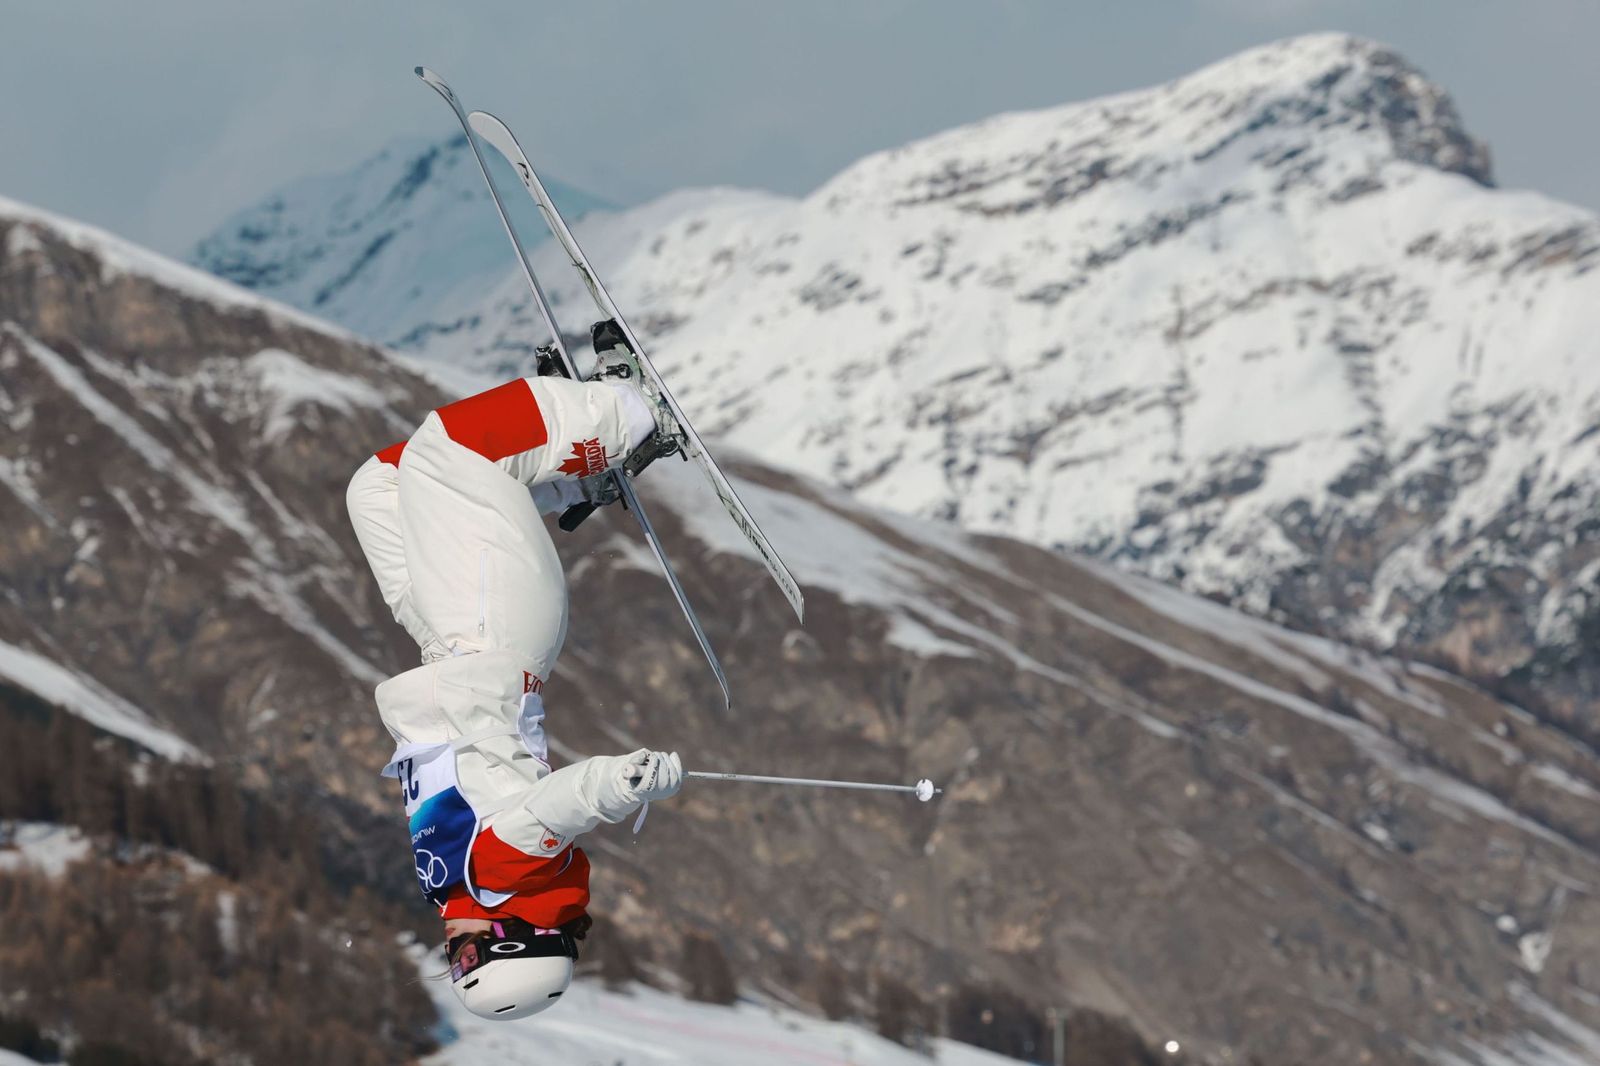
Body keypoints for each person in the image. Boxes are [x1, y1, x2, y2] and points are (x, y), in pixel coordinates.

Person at [346, 367, 684, 1021]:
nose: (454, 953)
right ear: (514, 939)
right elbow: (560, 806)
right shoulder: (504, 874)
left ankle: (575, 476)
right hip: (491, 629)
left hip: (451, 643)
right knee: (450, 447)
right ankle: (626, 415)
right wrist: (626, 783)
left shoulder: (456, 886)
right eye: (469, 959)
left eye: (454, 966)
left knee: (382, 487)